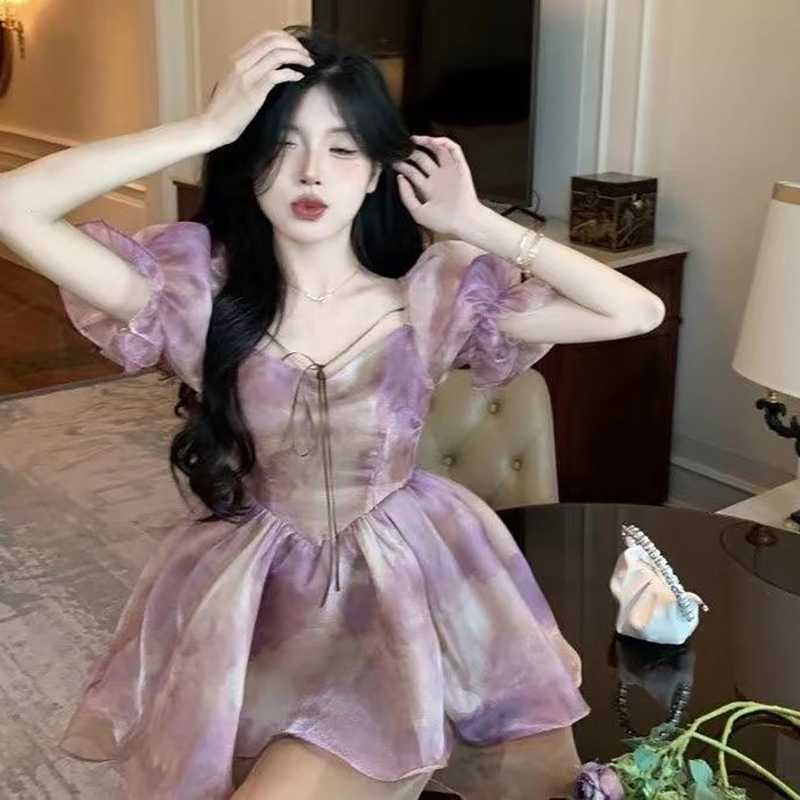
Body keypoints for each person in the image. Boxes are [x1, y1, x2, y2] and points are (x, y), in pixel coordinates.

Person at [0, 24, 664, 800]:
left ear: (379, 166)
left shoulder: (433, 297)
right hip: (265, 592)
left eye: (343, 147)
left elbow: (637, 311)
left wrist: (479, 224)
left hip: (413, 584)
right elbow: (14, 205)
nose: (311, 171)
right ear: (249, 159)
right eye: (281, 146)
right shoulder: (197, 300)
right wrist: (205, 128)